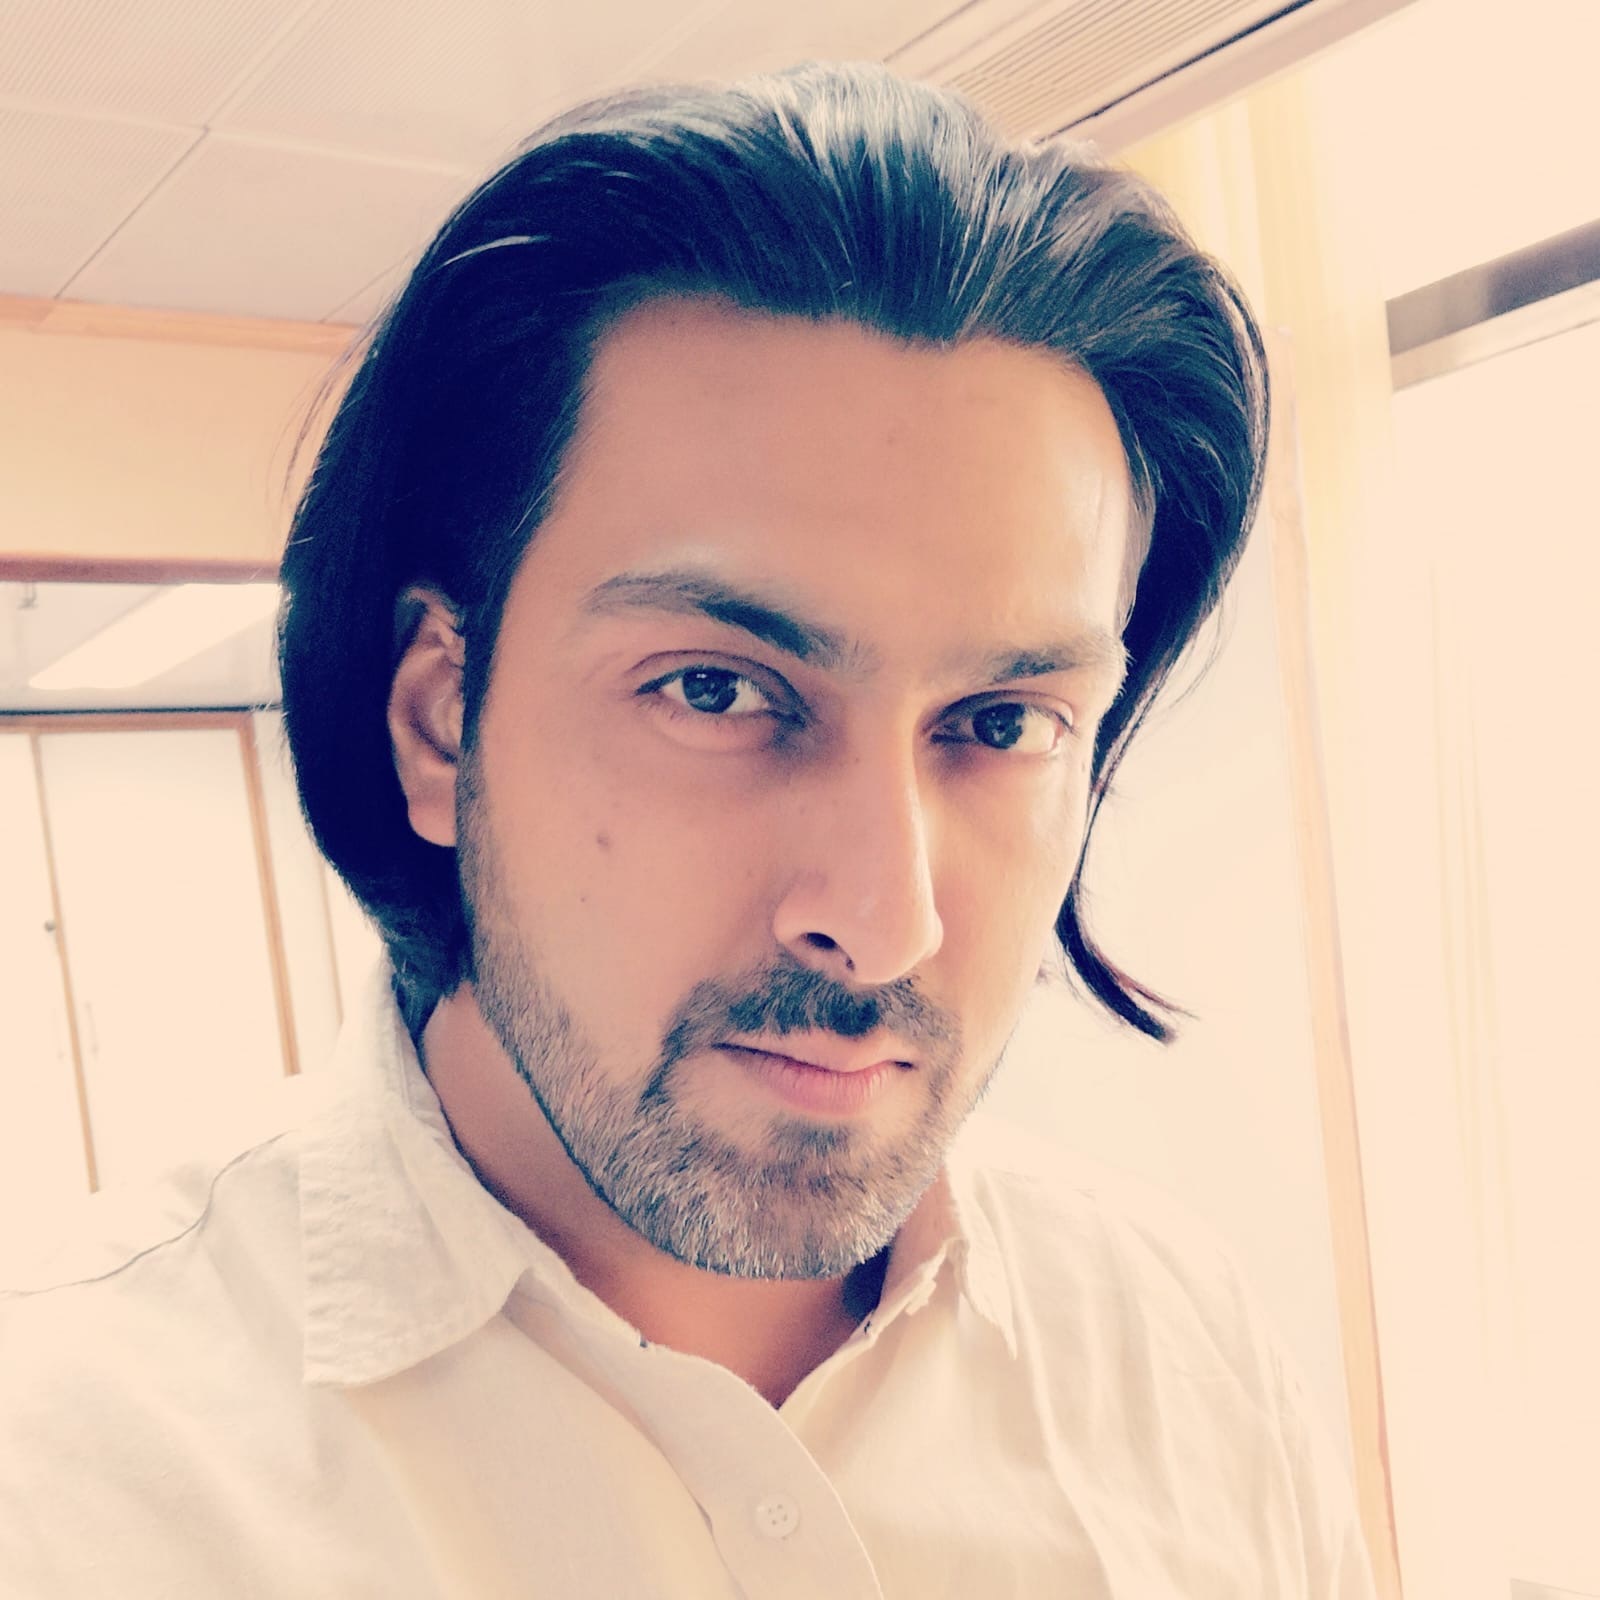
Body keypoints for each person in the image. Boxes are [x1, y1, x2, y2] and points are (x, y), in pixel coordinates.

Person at [1, 63, 1377, 1598]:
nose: (884, 921)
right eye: (718, 690)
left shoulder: (1181, 1354)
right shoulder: (67, 1481)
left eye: (1001, 722)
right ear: (440, 720)